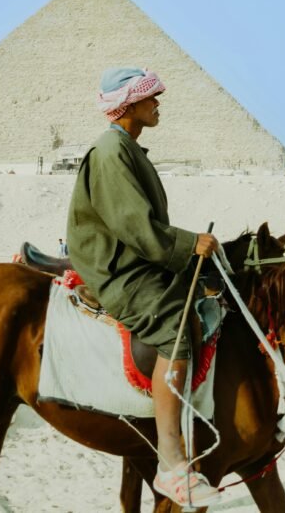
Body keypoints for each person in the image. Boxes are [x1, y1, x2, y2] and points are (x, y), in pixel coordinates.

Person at [66, 67, 221, 508]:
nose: (158, 104)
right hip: (116, 269)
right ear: (129, 104)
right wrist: (191, 243)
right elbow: (134, 225)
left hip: (134, 259)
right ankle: (171, 461)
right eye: (151, 97)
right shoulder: (112, 150)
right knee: (174, 325)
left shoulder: (127, 148)